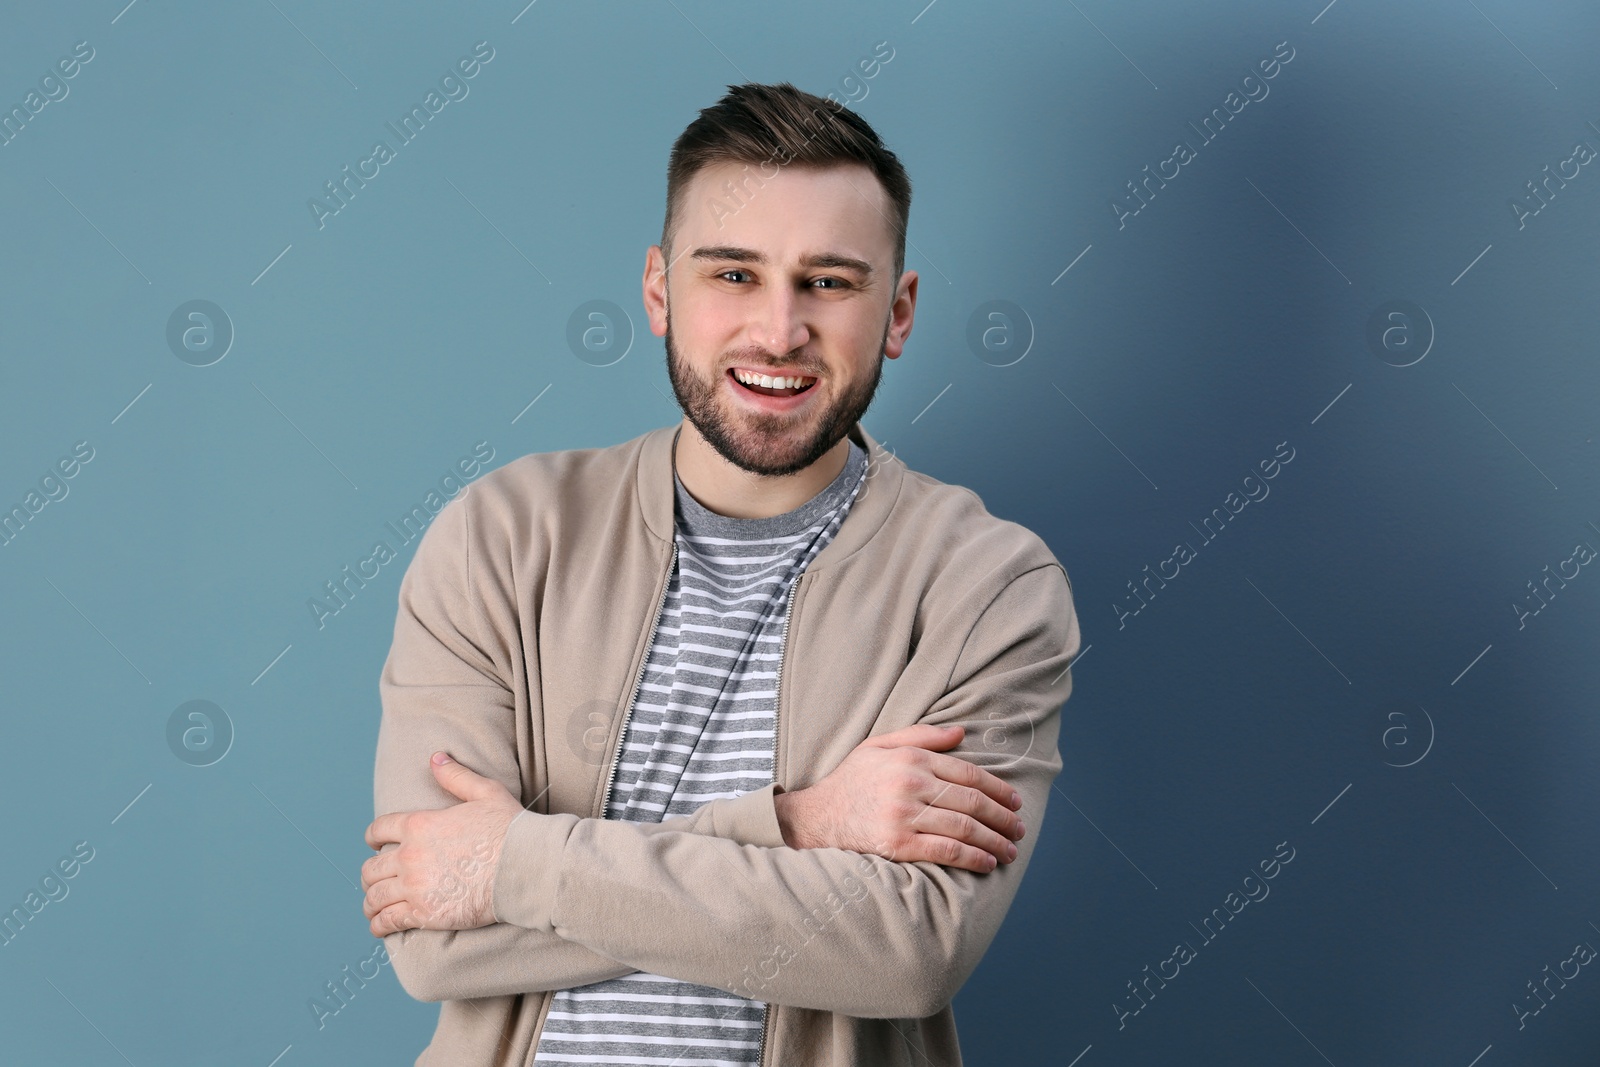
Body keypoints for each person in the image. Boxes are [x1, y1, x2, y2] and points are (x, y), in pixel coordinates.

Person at [360, 80, 1082, 1066]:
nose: (779, 331)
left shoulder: (986, 585)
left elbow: (903, 948)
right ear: (659, 291)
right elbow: (433, 935)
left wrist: (512, 862)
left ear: (899, 311)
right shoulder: (503, 536)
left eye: (828, 281)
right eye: (732, 275)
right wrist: (796, 824)